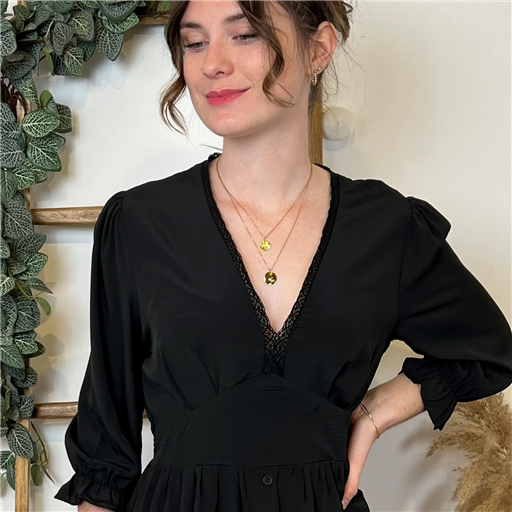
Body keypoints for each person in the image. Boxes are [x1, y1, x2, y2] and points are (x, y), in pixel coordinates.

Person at [54, 0, 512, 511]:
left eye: (245, 35)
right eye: (195, 42)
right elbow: (106, 456)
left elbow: (487, 349)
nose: (212, 64)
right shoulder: (141, 223)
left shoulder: (385, 227)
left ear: (318, 49)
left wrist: (375, 412)